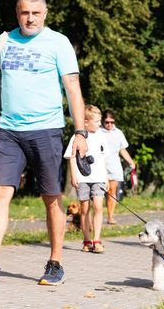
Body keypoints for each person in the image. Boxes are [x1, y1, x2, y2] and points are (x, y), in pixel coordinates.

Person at [0, 0, 88, 287]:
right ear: (17, 13)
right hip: (8, 131)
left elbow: (73, 89)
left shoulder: (58, 43)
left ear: (45, 14)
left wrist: (80, 132)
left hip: (46, 130)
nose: (30, 18)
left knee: (51, 197)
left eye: (35, 13)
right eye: (24, 13)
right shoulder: (4, 41)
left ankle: (55, 263)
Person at [64, 105, 108, 253]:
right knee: (84, 209)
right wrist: (74, 175)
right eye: (96, 121)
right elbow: (71, 156)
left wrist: (106, 177)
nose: (99, 124)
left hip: (99, 178)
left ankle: (97, 240)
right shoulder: (78, 137)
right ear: (86, 122)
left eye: (100, 121)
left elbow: (104, 158)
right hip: (83, 178)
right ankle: (87, 240)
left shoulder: (101, 136)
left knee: (98, 207)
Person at [100, 110, 135, 224]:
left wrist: (130, 161)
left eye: (112, 122)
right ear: (102, 121)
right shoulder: (97, 132)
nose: (109, 124)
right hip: (100, 165)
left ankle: (110, 217)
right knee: (98, 193)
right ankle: (97, 216)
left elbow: (122, 149)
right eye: (107, 122)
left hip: (114, 165)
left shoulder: (118, 133)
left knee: (112, 190)